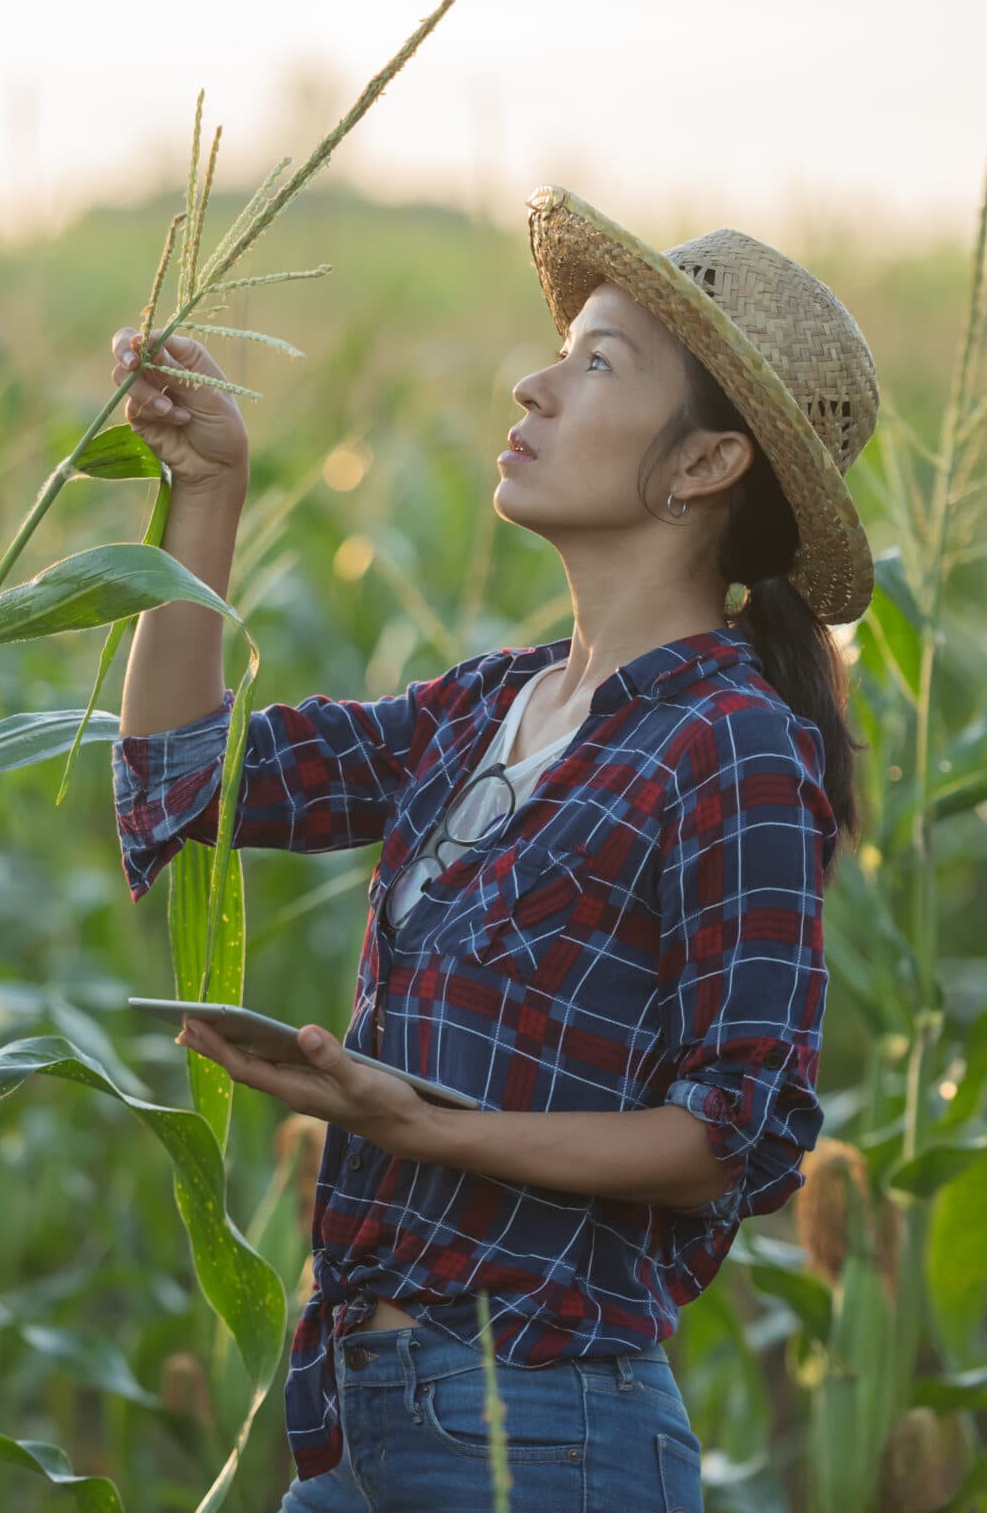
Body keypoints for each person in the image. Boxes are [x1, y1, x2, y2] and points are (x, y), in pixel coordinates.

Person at [105, 184, 878, 1512]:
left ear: (705, 466)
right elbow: (182, 777)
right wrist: (206, 486)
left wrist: (429, 1126)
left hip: (551, 1422)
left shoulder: (731, 746)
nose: (532, 385)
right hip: (353, 1416)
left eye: (597, 363)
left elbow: (738, 1132)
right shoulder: (481, 709)